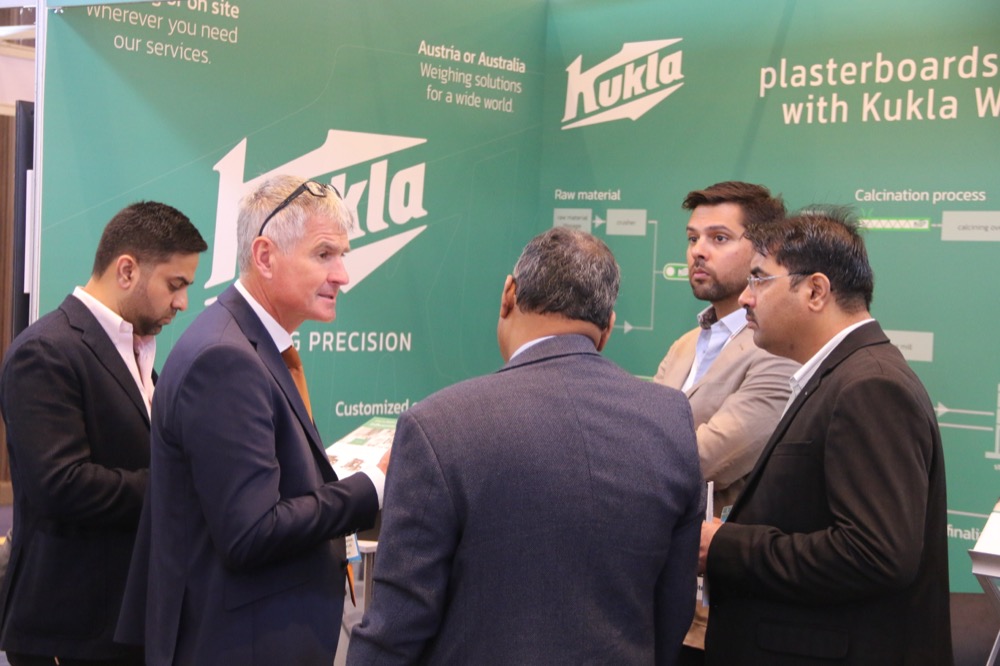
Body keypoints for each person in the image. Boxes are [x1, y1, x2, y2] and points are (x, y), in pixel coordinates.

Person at [347, 226, 704, 665]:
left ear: (508, 294)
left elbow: (397, 625)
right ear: (608, 327)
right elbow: (673, 607)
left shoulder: (439, 425)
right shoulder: (670, 418)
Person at [118, 175, 387, 666]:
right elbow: (252, 531)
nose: (343, 275)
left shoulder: (246, 343)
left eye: (342, 255)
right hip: (238, 644)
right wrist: (372, 485)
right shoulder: (225, 358)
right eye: (324, 255)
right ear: (265, 256)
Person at [700, 207, 953, 665]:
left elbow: (875, 554)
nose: (745, 298)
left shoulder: (870, 385)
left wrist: (725, 546)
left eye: (759, 279)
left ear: (815, 291)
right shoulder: (842, 376)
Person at [0, 201, 207, 666]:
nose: (182, 303)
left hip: (123, 624)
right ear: (127, 270)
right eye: (175, 285)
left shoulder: (137, 349)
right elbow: (61, 485)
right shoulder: (45, 352)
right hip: (67, 630)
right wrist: (178, 486)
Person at [652, 181, 799, 664]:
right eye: (692, 238)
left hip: (720, 613)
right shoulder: (685, 345)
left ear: (762, 251)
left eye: (719, 238)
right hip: (656, 592)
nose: (698, 251)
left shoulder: (777, 350)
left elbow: (706, 458)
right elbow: (646, 437)